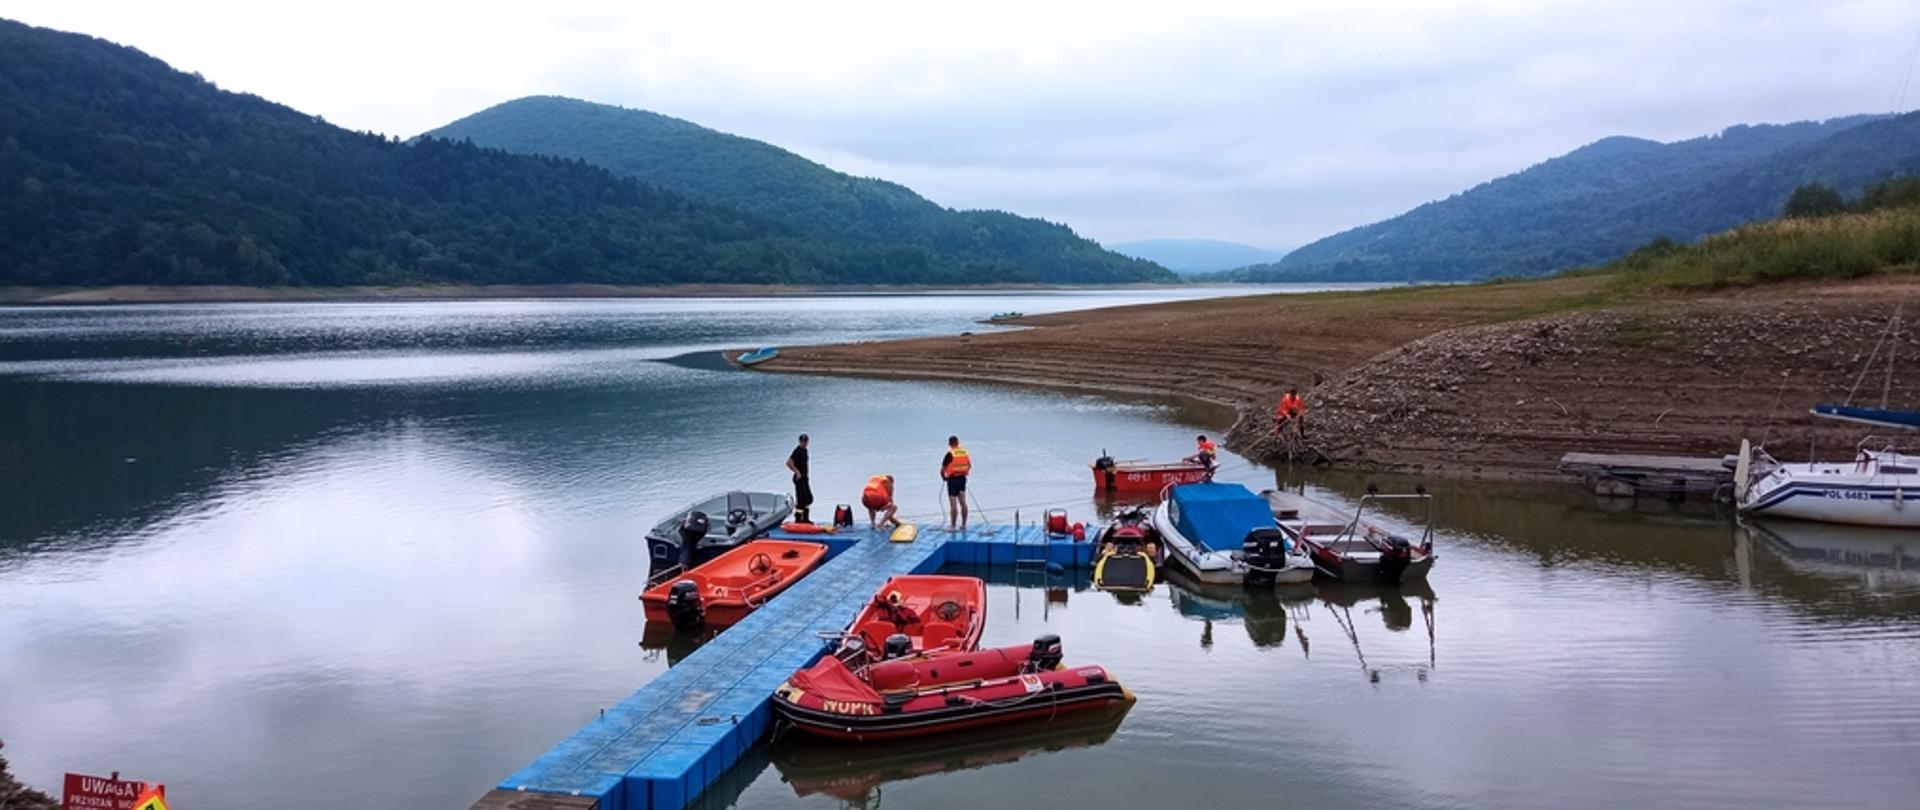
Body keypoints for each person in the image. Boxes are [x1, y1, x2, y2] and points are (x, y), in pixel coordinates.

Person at [940, 436, 971, 532]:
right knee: (963, 502)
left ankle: (953, 526)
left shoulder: (950, 454)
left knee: (953, 504)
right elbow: (969, 465)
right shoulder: (964, 452)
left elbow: (942, 469)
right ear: (958, 442)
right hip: (962, 478)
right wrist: (962, 472)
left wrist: (944, 477)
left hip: (952, 480)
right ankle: (964, 525)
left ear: (949, 444)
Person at [786, 433, 813, 523]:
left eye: (805, 441)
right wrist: (797, 472)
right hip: (799, 479)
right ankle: (798, 519)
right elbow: (788, 462)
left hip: (805, 478)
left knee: (808, 498)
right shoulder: (797, 451)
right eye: (802, 441)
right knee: (801, 500)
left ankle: (805, 518)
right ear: (800, 441)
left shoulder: (805, 450)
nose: (804, 443)